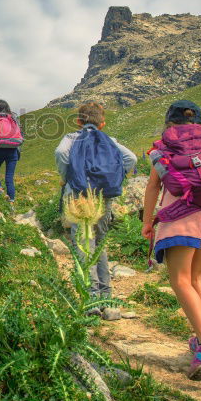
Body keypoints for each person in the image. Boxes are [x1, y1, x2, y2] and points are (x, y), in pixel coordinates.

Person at [141, 100, 201, 381]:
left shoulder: (162, 150)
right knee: (199, 278)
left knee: (180, 280)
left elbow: (153, 185)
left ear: (169, 123)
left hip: (183, 216)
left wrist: (148, 221)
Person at [55, 101, 137, 299]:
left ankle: (90, 296)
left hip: (79, 196)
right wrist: (116, 177)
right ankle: (105, 296)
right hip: (103, 196)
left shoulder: (72, 138)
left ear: (78, 121)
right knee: (99, 241)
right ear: (102, 123)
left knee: (83, 241)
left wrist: (68, 178)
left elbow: (60, 153)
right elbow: (131, 159)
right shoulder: (109, 140)